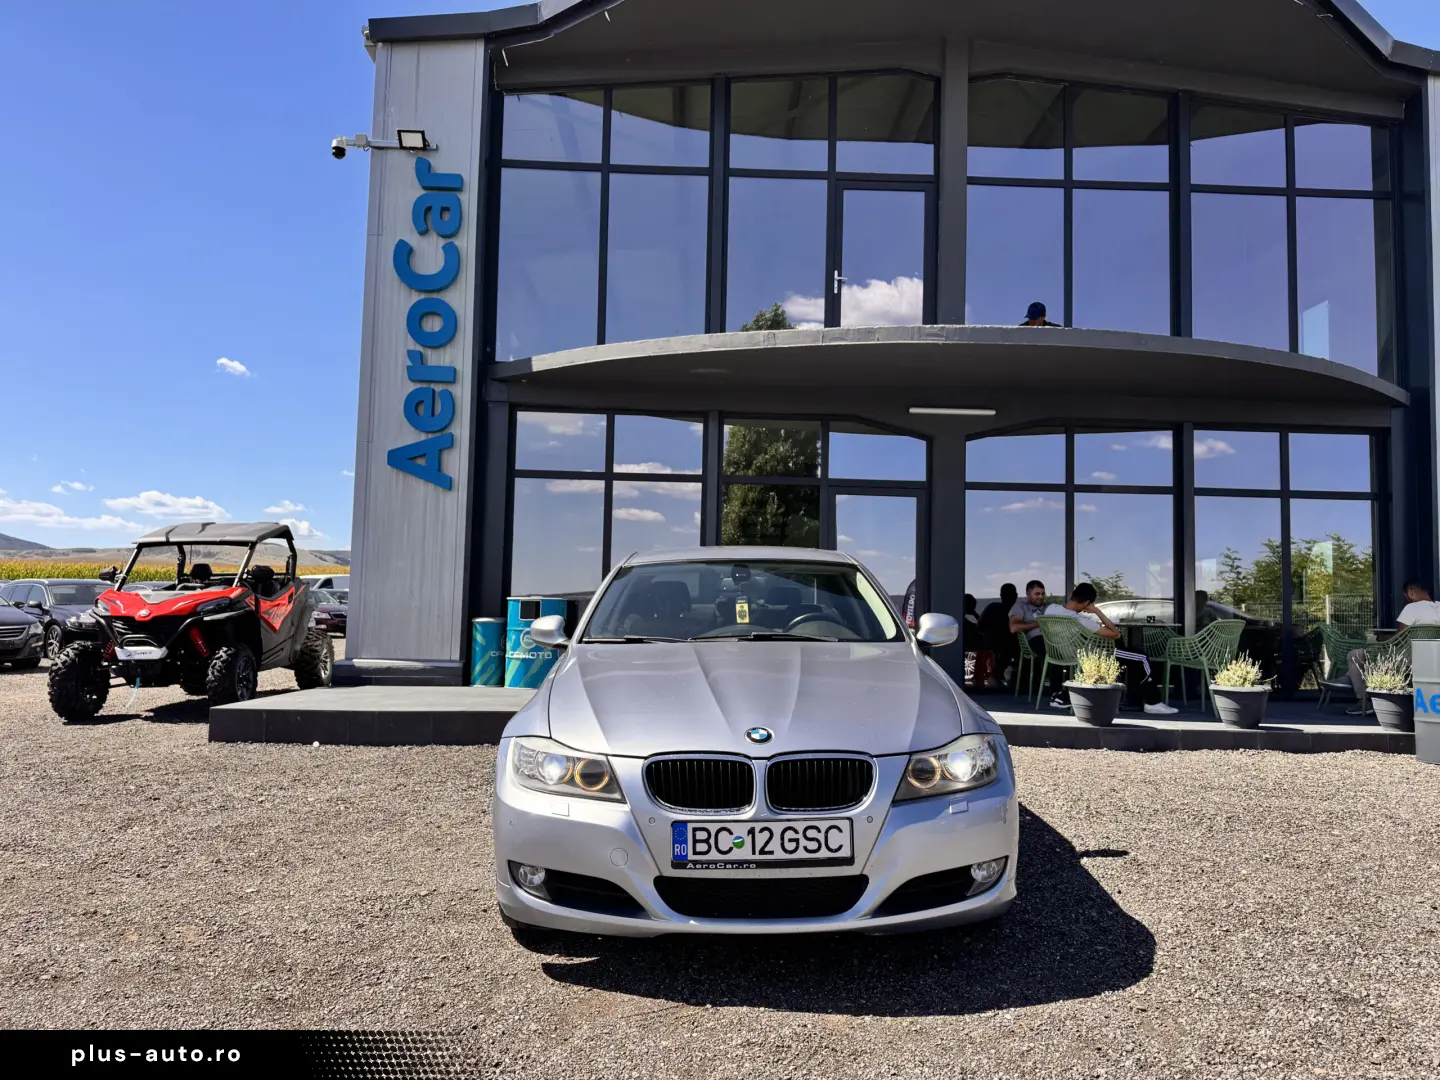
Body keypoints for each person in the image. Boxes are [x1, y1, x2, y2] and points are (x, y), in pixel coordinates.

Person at [1043, 583, 1178, 714]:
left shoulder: (1051, 609)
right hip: (1092, 656)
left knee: (1130, 656)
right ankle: (1152, 703)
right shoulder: (1081, 621)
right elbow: (1115, 633)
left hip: (1062, 654)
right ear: (1086, 603)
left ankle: (1134, 697)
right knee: (1141, 658)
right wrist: (1097, 611)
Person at [1346, 580, 1440, 714]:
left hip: (1405, 659)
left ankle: (1363, 701)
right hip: (1433, 659)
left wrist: (1379, 639)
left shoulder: (1411, 608)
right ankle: (1348, 677)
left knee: (1355, 654)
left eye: (1405, 595)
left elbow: (1399, 637)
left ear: (1410, 592)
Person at [980, 584, 1019, 683]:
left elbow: (980, 626)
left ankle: (998, 675)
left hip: (990, 643)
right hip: (1008, 646)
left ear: (1001, 596)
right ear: (1016, 596)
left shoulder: (992, 607)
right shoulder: (1018, 612)